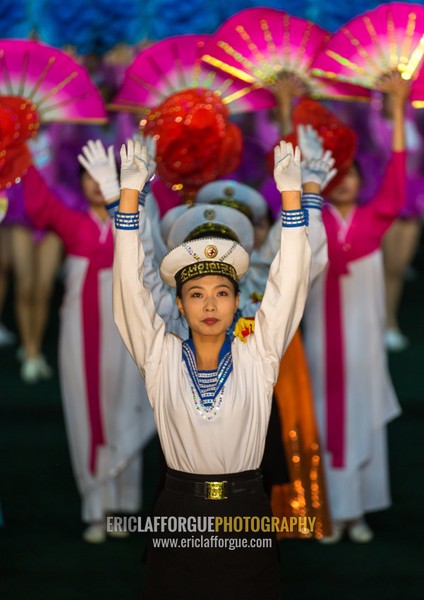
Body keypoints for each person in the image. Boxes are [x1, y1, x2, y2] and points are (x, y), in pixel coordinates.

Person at [112, 138, 311, 599]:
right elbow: (128, 292)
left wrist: (293, 197)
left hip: (246, 509)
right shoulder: (160, 357)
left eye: (221, 292)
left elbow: (290, 284)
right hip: (179, 511)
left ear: (238, 301)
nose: (209, 304)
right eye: (196, 294)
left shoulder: (257, 354)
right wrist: (128, 198)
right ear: (179, 305)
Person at [22, 154, 156, 543]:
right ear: (79, 183)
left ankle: (123, 506)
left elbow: (149, 239)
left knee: (125, 406)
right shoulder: (72, 222)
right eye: (90, 178)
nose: (97, 184)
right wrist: (22, 151)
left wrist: (143, 176)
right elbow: (37, 202)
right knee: (85, 411)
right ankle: (96, 510)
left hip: (125, 330)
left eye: (106, 178)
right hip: (79, 334)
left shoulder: (130, 224)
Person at [302, 71, 410, 543]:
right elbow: (292, 188)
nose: (344, 183)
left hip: (364, 339)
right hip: (323, 339)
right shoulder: (313, 219)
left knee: (362, 414)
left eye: (352, 176)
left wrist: (400, 109)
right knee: (324, 419)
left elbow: (398, 172)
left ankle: (357, 512)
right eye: (336, 177)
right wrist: (292, 118)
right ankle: (328, 512)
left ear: (362, 182)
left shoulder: (374, 218)